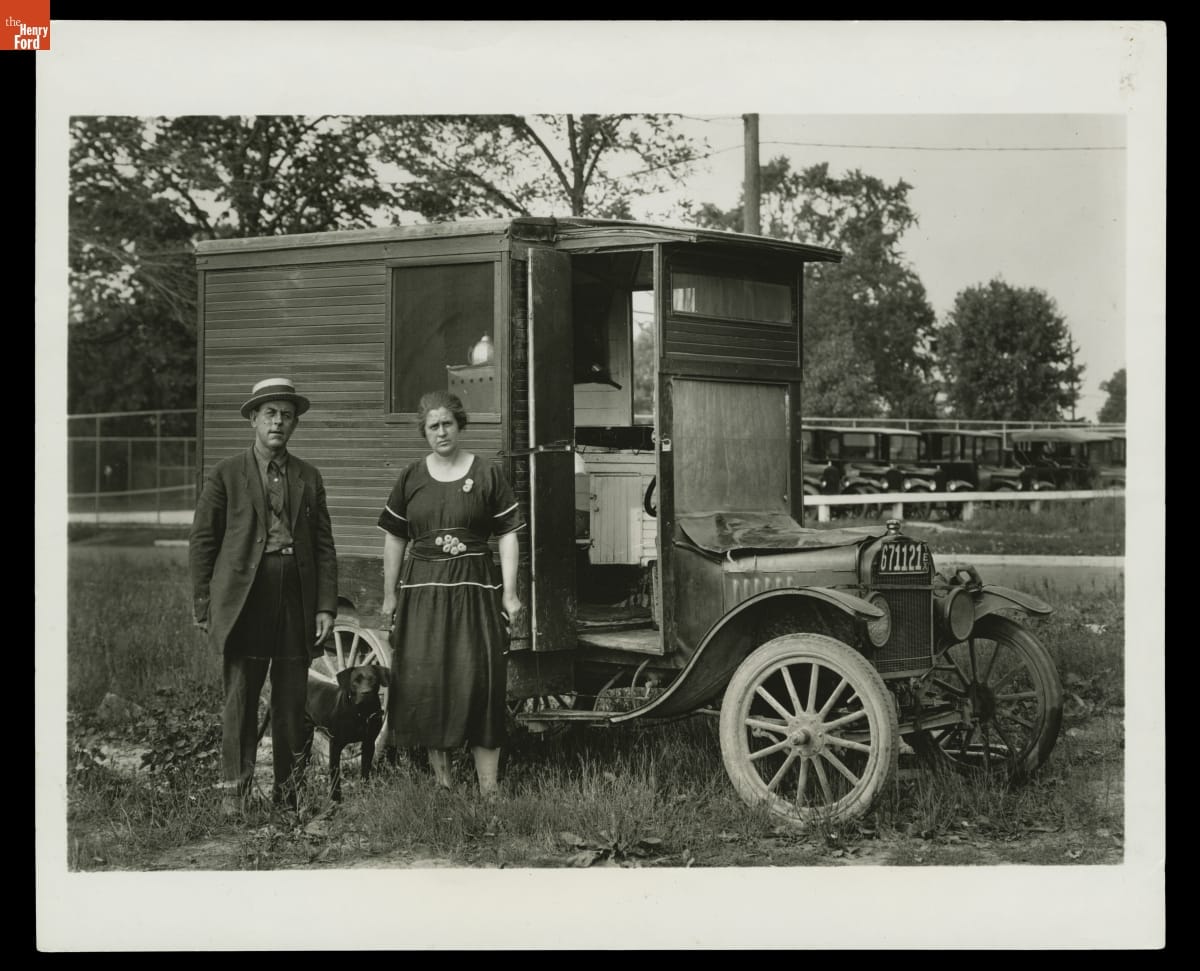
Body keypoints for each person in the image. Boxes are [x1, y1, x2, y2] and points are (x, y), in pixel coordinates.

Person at [189, 378, 338, 816]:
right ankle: (234, 794)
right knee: (240, 695)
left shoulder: (309, 476)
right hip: (245, 597)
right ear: (253, 419)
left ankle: (288, 795)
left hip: (295, 595)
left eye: (286, 415)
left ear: (295, 424)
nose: (278, 422)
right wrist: (204, 604)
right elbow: (203, 542)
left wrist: (325, 605)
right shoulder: (226, 474)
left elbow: (324, 546)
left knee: (292, 698)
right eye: (270, 413)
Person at [378, 390, 524, 797]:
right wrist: (389, 595)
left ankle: (489, 791)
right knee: (430, 680)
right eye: (433, 426)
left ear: (459, 425)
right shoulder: (411, 477)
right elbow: (394, 538)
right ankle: (443, 787)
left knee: (480, 679)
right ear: (424, 432)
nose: (441, 432)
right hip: (421, 593)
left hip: (475, 591)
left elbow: (508, 535)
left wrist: (510, 594)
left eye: (447, 423)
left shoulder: (487, 473)